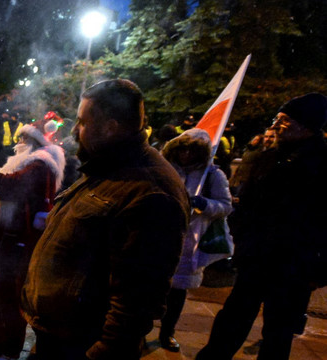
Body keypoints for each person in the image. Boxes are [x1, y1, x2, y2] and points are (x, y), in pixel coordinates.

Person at [20, 79, 189, 359]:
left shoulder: (152, 192)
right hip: (56, 335)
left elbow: (136, 304)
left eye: (82, 122)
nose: (74, 131)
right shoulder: (106, 165)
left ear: (110, 127)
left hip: (82, 346)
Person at [196, 93, 327, 360]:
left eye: (284, 119)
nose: (276, 125)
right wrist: (242, 242)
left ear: (306, 125)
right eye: (276, 119)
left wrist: (321, 271)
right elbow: (248, 207)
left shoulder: (322, 164)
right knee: (232, 321)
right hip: (256, 258)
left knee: (278, 333)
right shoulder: (268, 158)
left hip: (295, 266)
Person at [0, 119, 66, 360]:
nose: (19, 143)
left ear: (34, 141)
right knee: (3, 293)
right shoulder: (40, 162)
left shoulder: (38, 164)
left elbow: (10, 186)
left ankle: (4, 352)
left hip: (15, 239)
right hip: (17, 237)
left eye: (23, 138)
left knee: (5, 295)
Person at [157, 128, 233, 352]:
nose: (186, 154)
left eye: (192, 150)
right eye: (183, 149)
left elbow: (226, 206)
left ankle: (167, 331)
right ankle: (141, 329)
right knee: (152, 286)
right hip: (161, 235)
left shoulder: (212, 175)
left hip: (190, 239)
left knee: (178, 290)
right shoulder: (165, 169)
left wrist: (205, 204)